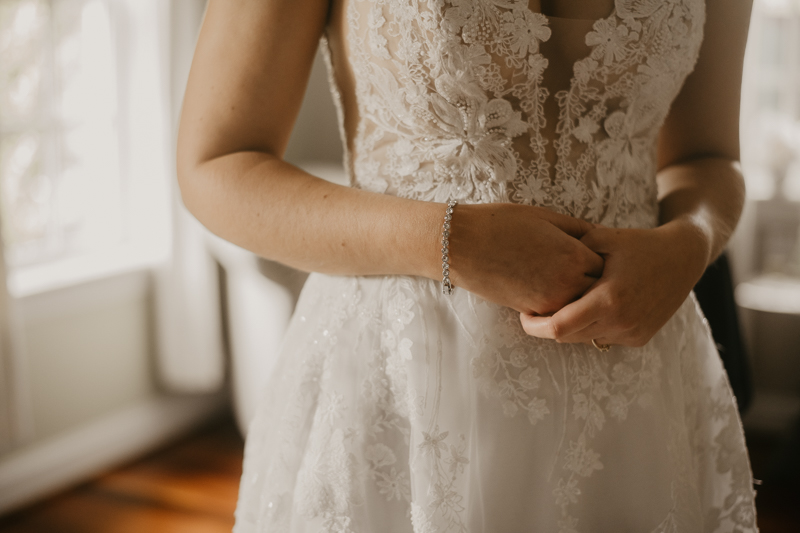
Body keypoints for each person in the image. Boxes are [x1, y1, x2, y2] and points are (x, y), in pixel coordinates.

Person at [177, 0, 757, 531]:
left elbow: (710, 157)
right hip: (405, 387)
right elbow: (217, 164)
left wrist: (689, 245)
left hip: (636, 383)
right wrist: (453, 240)